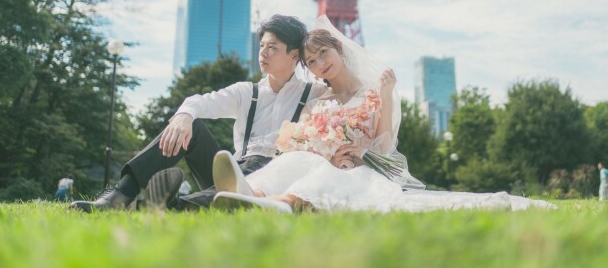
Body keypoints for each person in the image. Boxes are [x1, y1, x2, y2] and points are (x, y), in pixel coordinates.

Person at [211, 16, 555, 213]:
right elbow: (302, 141)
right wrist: (320, 146)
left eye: (323, 54)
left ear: (339, 49)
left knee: (322, 174)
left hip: (361, 170)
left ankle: (281, 204)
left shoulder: (375, 93)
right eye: (311, 62)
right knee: (295, 161)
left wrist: (361, 150)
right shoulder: (319, 99)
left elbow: (387, 146)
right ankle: (249, 195)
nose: (319, 65)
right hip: (326, 162)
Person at [70, 14, 326, 212]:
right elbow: (201, 101)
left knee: (233, 197)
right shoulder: (248, 91)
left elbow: (350, 94)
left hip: (272, 175)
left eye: (273, 47)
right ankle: (120, 195)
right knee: (193, 127)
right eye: (261, 45)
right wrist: (184, 116)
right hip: (233, 169)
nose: (263, 53)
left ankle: (171, 206)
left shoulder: (314, 94)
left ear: (294, 55)